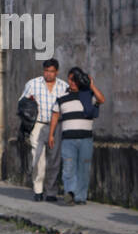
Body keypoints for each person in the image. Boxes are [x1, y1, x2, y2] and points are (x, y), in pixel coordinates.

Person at [49, 67, 104, 206]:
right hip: (68, 140)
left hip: (86, 139)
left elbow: (101, 99)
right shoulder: (61, 97)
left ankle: (80, 197)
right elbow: (55, 115)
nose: (73, 82)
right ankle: (70, 193)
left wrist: (91, 85)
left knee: (83, 168)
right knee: (68, 167)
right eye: (70, 79)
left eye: (75, 79)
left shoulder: (88, 95)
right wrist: (51, 135)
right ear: (67, 79)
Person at [19, 57, 68, 201]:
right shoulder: (33, 84)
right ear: (43, 71)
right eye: (46, 71)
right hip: (38, 124)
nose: (48, 74)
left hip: (57, 125)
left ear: (57, 72)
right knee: (37, 157)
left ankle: (51, 191)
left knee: (54, 159)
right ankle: (38, 189)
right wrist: (29, 107)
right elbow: (22, 103)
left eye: (51, 71)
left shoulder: (63, 86)